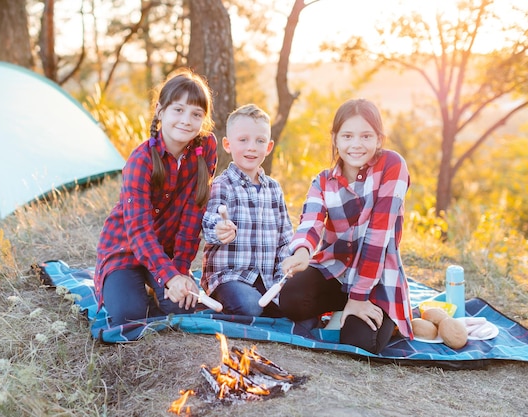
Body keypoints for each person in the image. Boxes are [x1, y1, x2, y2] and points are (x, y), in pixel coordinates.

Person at [279, 98, 412, 354]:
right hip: (335, 270)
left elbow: (378, 237)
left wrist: (359, 297)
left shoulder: (393, 166)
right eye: (348, 136)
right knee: (290, 300)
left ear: (379, 139)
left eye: (366, 136)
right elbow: (311, 222)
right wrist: (302, 252)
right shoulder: (323, 180)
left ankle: (379, 312)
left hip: (377, 277)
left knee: (361, 343)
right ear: (336, 139)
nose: (356, 144)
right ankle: (344, 307)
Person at [94, 68, 217, 326]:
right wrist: (170, 278)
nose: (186, 120)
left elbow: (193, 217)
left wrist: (181, 270)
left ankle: (157, 286)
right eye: (178, 110)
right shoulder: (141, 161)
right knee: (128, 317)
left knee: (184, 307)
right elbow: (139, 232)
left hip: (168, 254)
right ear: (160, 111)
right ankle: (127, 288)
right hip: (126, 249)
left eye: (196, 114)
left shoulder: (206, 148)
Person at [201, 104, 293, 317]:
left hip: (268, 277)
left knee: (295, 304)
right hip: (230, 278)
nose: (252, 147)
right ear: (228, 144)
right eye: (243, 140)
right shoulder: (222, 185)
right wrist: (219, 229)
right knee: (249, 305)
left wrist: (284, 275)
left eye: (259, 141)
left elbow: (285, 238)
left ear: (268, 147)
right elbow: (209, 222)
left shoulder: (274, 189)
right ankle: (232, 303)